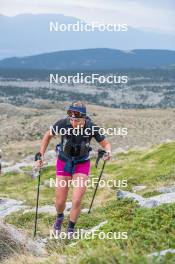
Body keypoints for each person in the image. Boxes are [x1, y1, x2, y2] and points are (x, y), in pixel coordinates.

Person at [35, 101, 111, 237]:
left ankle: (70, 229)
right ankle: (59, 218)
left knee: (76, 200)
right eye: (72, 120)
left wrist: (108, 152)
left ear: (84, 118)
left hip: (82, 164)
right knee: (60, 201)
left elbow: (106, 143)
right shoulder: (63, 124)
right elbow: (47, 135)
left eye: (77, 120)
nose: (74, 123)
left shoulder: (91, 127)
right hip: (64, 162)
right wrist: (41, 154)